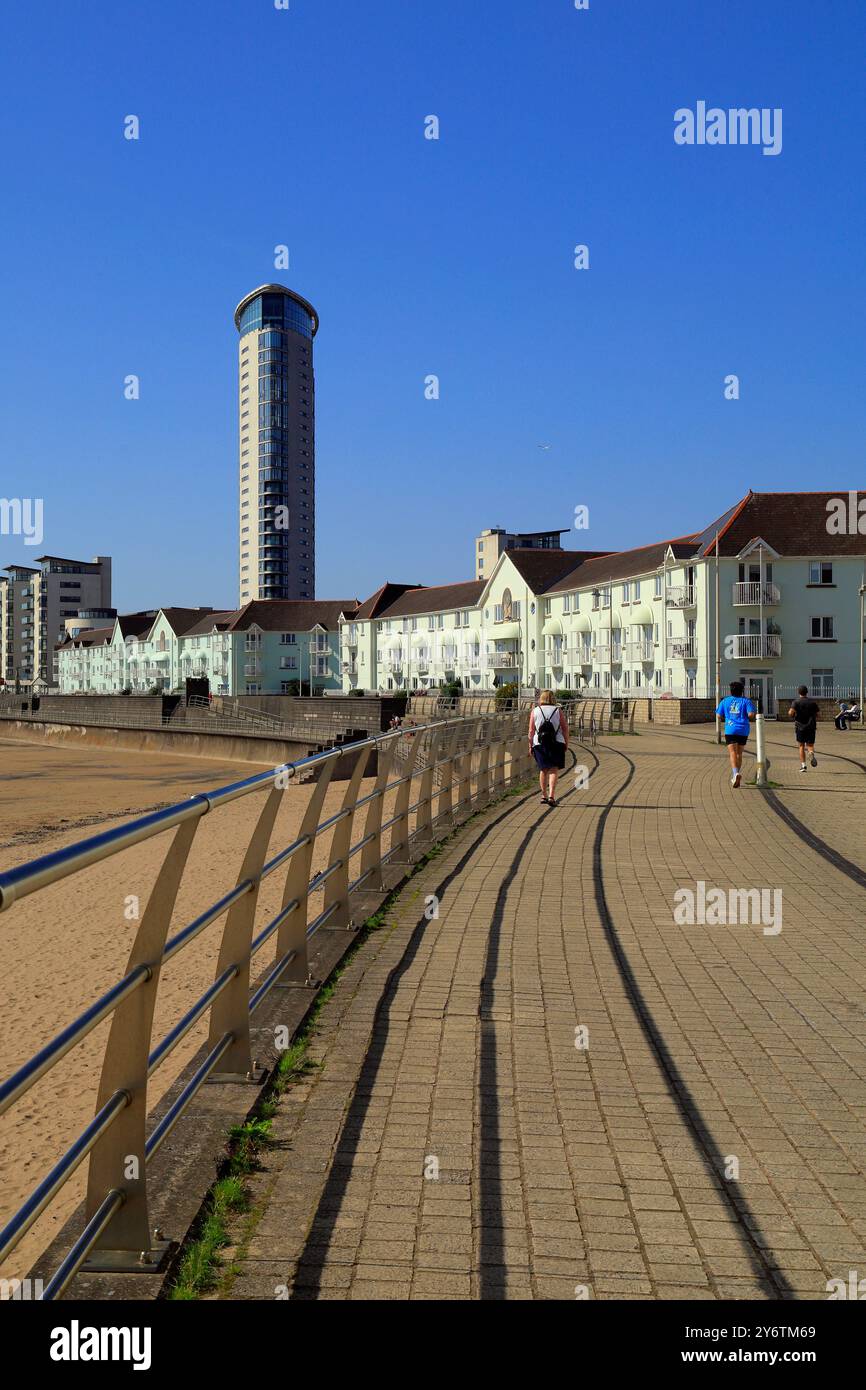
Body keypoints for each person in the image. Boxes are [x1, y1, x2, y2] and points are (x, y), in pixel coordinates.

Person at [528, 688, 569, 806]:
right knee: (553, 769)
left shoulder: (535, 711)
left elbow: (531, 731)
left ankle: (543, 795)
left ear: (541, 699)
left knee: (543, 769)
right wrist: (566, 743)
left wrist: (530, 745)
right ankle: (551, 796)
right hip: (556, 743)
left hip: (539, 743)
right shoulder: (558, 710)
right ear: (553, 699)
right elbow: (565, 729)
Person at [715, 680, 756, 789]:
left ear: (731, 691)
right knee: (739, 753)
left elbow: (718, 715)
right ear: (742, 691)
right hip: (743, 730)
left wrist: (727, 718)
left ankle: (735, 774)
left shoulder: (725, 701)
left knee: (732, 752)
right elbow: (751, 714)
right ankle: (737, 773)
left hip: (730, 729)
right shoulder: (746, 701)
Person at [788, 685, 819, 771]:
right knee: (810, 745)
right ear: (807, 692)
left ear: (799, 692)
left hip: (800, 727)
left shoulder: (796, 702)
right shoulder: (812, 702)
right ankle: (811, 753)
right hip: (811, 726)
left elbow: (791, 713)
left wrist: (792, 714)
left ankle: (803, 766)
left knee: (801, 745)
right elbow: (817, 715)